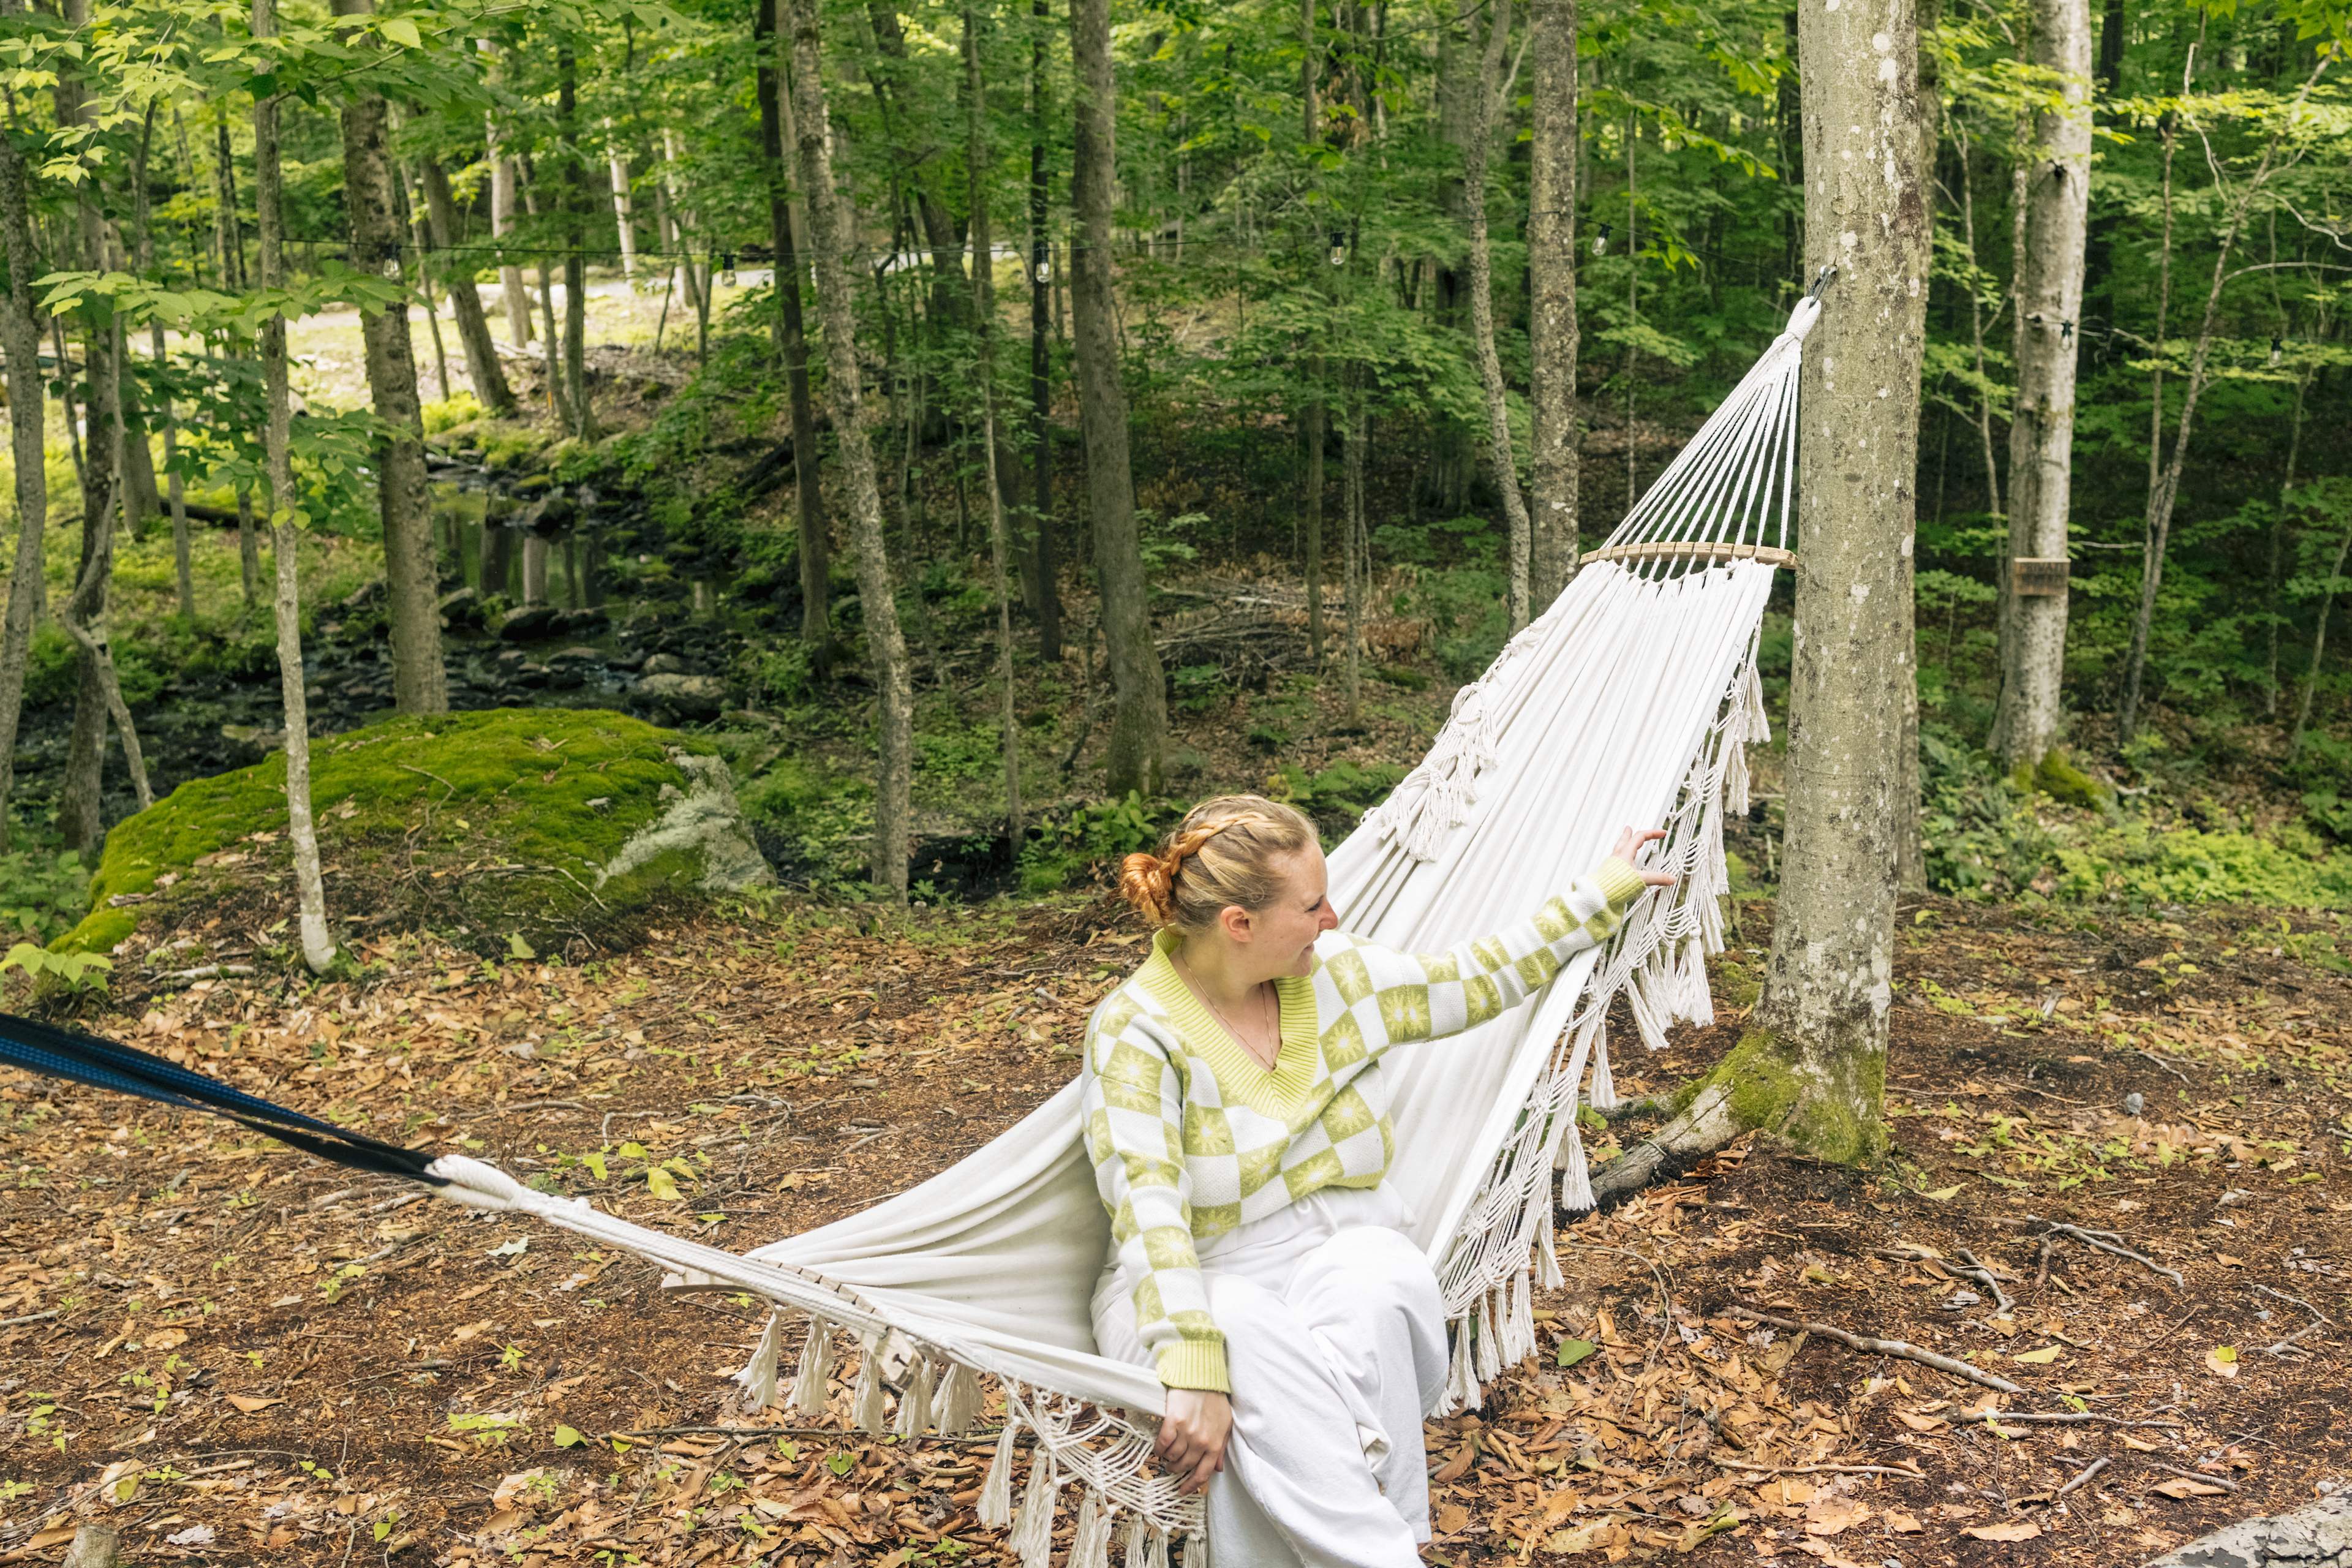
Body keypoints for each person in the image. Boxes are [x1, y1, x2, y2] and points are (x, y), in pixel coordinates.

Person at [1081, 794, 1672, 1567]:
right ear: (1239, 924)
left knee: (1384, 1280)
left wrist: (1600, 894)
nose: (1332, 917)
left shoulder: (1340, 975)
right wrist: (1192, 1369)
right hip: (1184, 1279)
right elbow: (1148, 1212)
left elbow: (1475, 977)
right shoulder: (1138, 1030)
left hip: (1326, 1245)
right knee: (1244, 1340)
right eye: (1314, 903)